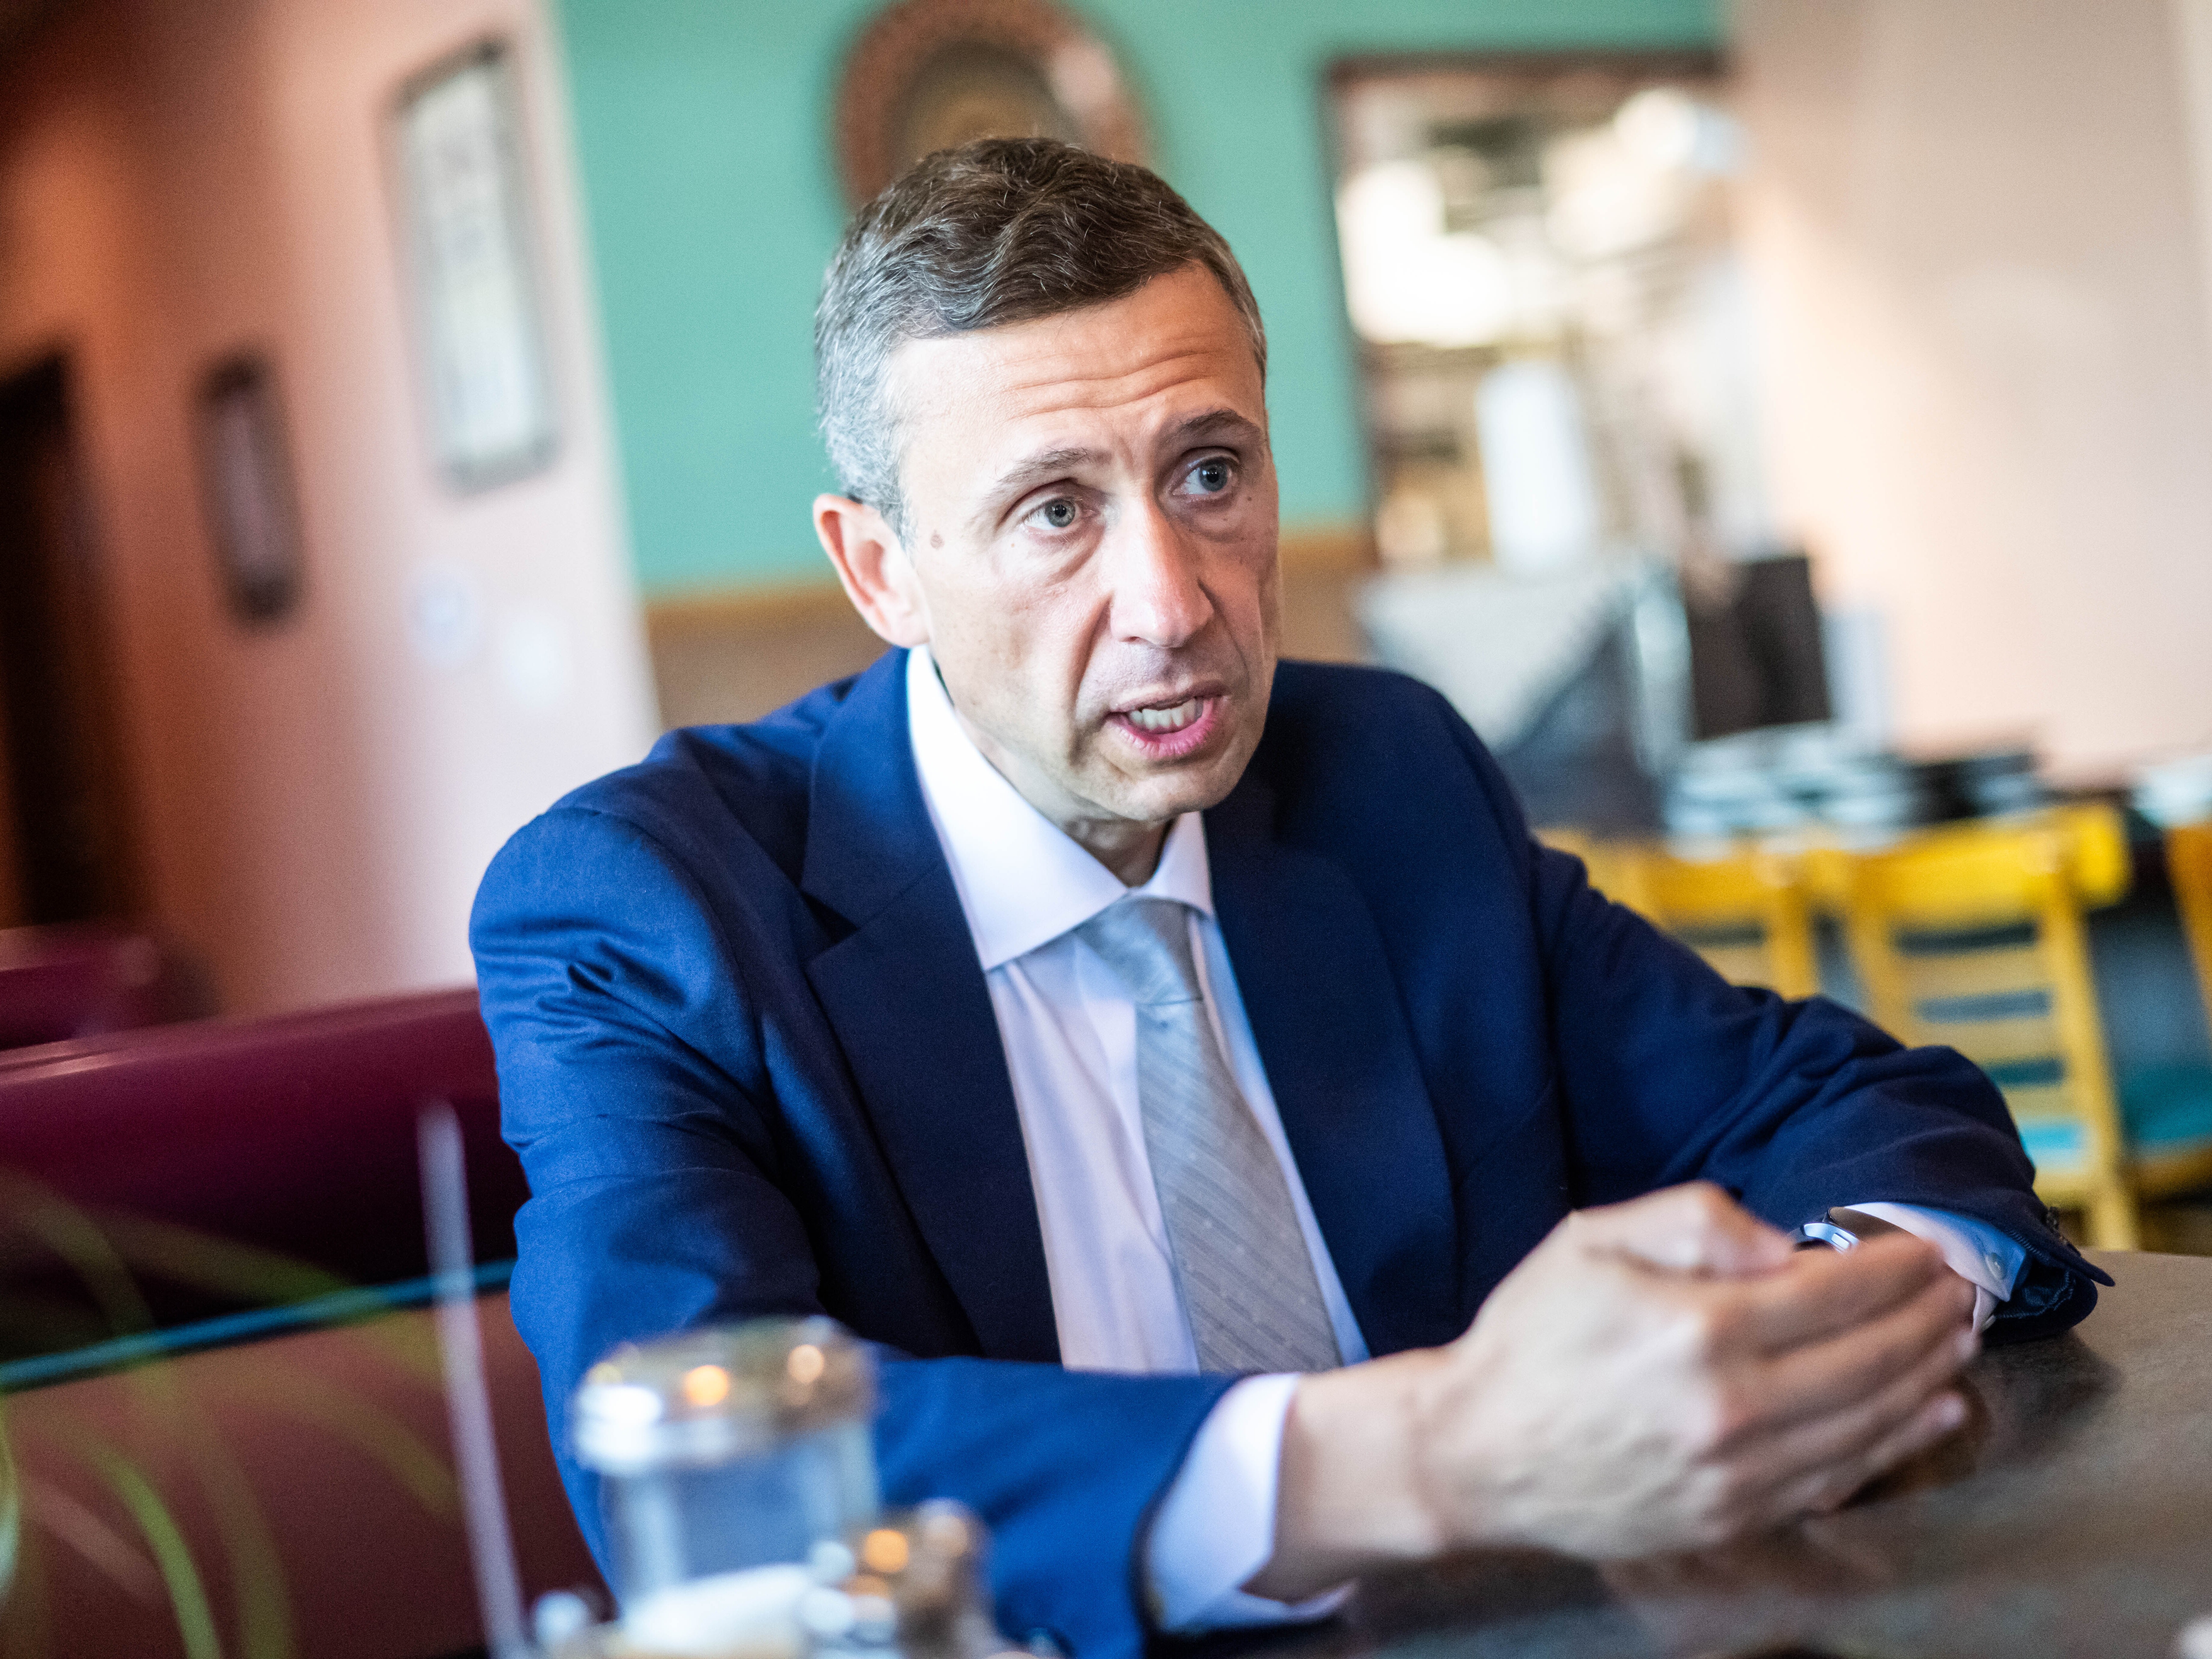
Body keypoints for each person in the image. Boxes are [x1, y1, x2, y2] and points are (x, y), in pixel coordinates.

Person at [470, 138, 2104, 1658]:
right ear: (881, 570)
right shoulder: (646, 905)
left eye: (1208, 474)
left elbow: (1856, 1104)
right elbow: (700, 1464)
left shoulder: (1381, 775)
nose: (1173, 606)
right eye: (1057, 512)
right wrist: (1433, 1456)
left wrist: (1813, 1350)